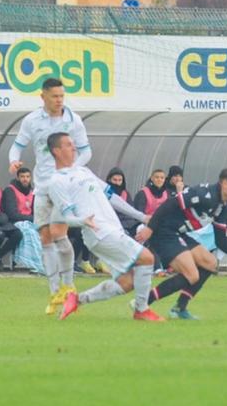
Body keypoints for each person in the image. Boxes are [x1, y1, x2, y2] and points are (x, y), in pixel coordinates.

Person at [43, 133, 162, 322]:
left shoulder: (84, 171)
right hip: (98, 232)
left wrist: (141, 216)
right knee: (147, 258)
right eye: (68, 145)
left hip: (111, 229)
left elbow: (112, 196)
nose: (74, 148)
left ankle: (77, 299)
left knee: (128, 281)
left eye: (73, 144)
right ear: (56, 151)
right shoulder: (56, 182)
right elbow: (67, 217)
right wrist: (83, 221)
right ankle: (141, 310)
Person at [9, 77, 91, 315]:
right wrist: (13, 160)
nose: (59, 100)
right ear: (42, 96)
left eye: (62, 96)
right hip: (42, 185)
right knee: (46, 238)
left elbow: (86, 151)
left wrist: (70, 169)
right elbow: (17, 146)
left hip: (64, 185)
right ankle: (55, 290)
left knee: (59, 233)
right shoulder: (32, 120)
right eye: (55, 96)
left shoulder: (73, 119)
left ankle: (68, 285)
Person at [136, 169, 227, 319]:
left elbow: (220, 240)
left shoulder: (222, 207)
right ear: (225, 184)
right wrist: (150, 228)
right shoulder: (204, 194)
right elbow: (169, 204)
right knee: (192, 275)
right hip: (162, 232)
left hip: (177, 233)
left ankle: (179, 309)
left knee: (210, 263)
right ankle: (143, 302)